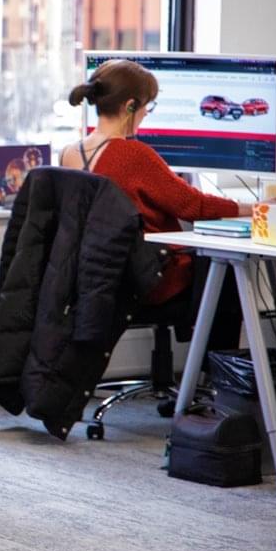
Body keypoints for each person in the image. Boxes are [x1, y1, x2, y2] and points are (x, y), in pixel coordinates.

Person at [61, 58, 251, 348]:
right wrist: (253, 207)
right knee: (226, 267)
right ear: (130, 106)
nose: (148, 112)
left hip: (96, 281)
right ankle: (219, 379)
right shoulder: (134, 155)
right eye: (148, 104)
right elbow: (194, 206)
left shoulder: (69, 154)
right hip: (145, 282)